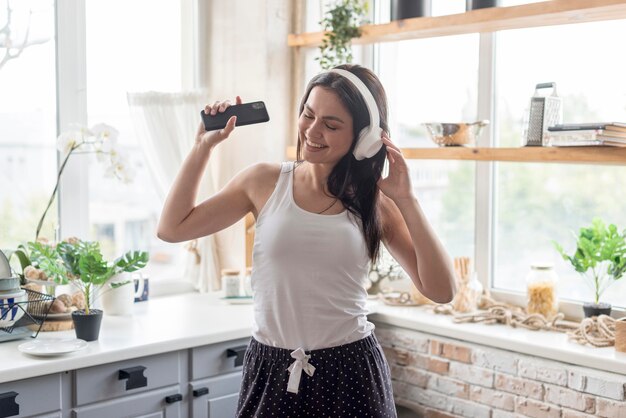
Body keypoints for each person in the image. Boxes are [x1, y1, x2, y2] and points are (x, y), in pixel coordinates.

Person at [157, 64, 456, 417]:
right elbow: (172, 228)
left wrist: (407, 200)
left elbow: (442, 290)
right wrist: (202, 148)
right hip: (271, 369)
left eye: (331, 125)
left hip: (351, 372)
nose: (313, 132)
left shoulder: (375, 202)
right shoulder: (263, 181)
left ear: (364, 138)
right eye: (308, 115)